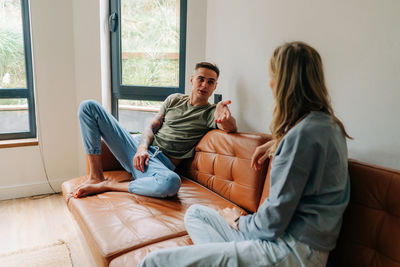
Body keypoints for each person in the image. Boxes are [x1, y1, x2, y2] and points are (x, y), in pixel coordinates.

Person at [138, 42, 352, 267]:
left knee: (154, 262)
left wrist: (239, 221)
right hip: (297, 246)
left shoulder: (302, 136)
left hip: (289, 250)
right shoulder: (328, 126)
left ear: (284, 82)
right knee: (196, 214)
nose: (270, 83)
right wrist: (275, 143)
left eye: (273, 76)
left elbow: (272, 223)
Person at [73, 62, 237, 199]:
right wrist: (142, 148)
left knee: (171, 182)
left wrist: (225, 118)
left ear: (215, 86)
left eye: (210, 82)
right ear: (192, 80)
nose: (204, 85)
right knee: (88, 107)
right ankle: (96, 177)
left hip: (157, 164)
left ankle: (108, 185)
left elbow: (229, 127)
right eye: (201, 79)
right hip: (135, 147)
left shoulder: (211, 113)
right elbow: (151, 127)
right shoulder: (175, 99)